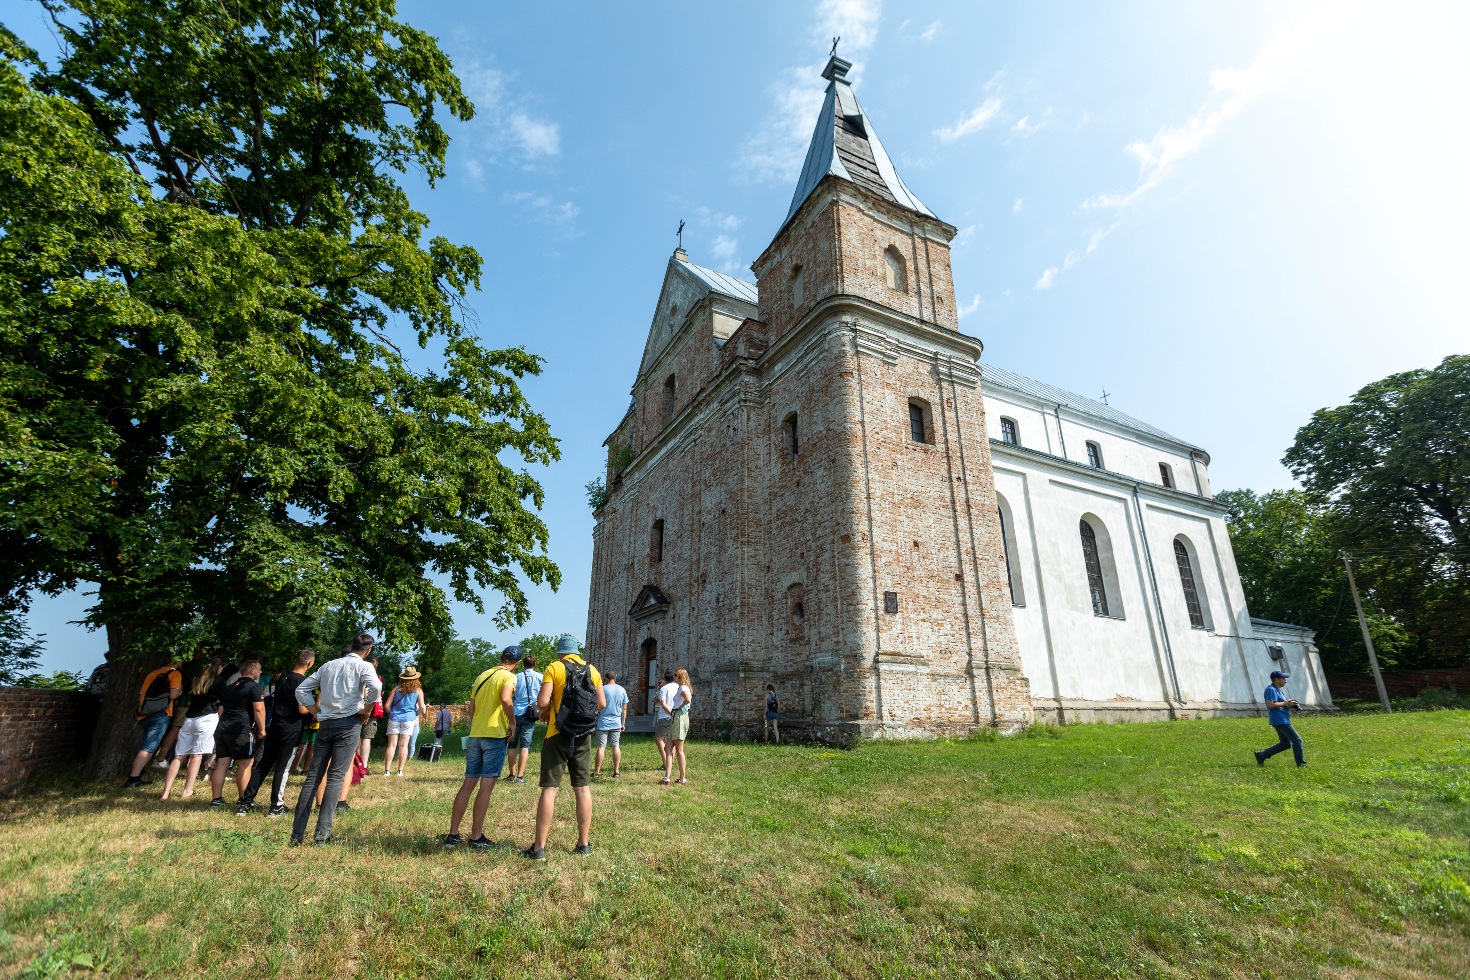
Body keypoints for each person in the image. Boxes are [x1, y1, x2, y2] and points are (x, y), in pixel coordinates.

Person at [292, 633, 382, 846]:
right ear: (367, 651)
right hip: (349, 723)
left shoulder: (328, 666)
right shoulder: (364, 666)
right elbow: (376, 689)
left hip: (326, 723)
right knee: (335, 777)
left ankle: (297, 835)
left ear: (351, 646)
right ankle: (322, 835)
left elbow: (301, 689)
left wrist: (314, 710)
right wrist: (367, 709)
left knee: (313, 777)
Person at [523, 635, 604, 860]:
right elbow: (602, 703)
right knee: (582, 788)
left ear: (560, 653)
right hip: (583, 736)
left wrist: (549, 711)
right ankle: (583, 844)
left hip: (557, 733)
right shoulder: (593, 670)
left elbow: (541, 702)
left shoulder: (555, 667)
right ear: (577, 652)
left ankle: (539, 848)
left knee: (550, 789)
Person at [444, 647, 519, 849]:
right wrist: (512, 723)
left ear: (501, 658)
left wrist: (478, 723)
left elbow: (471, 708)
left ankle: (453, 835)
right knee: (486, 786)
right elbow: (505, 699)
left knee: (468, 784)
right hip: (494, 736)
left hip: (475, 735)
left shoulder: (482, 676)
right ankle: (476, 837)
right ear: (517, 663)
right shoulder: (509, 677)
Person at [237, 649, 315, 816]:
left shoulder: (282, 678)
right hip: (291, 728)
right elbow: (302, 709)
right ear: (310, 663)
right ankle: (276, 806)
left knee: (264, 764)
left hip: (275, 725)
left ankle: (245, 802)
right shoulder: (303, 682)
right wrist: (314, 710)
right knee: (283, 767)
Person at [160, 662, 223, 800]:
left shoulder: (197, 680)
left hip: (189, 719)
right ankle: (187, 790)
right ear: (219, 668)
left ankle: (165, 793)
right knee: (196, 756)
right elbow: (222, 704)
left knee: (178, 756)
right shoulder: (218, 682)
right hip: (206, 718)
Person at [209, 659, 267, 806]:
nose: (261, 672)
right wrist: (262, 729)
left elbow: (221, 710)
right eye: (259, 669)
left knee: (222, 763)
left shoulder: (229, 688)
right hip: (240, 729)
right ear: (252, 671)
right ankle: (244, 800)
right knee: (246, 763)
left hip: (222, 728)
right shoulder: (255, 687)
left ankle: (216, 800)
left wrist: (225, 724)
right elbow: (259, 709)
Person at [123, 660, 183, 788]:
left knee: (147, 744)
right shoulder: (175, 674)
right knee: (148, 747)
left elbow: (142, 694)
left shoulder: (153, 673)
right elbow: (173, 695)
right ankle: (133, 778)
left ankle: (138, 773)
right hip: (161, 713)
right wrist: (180, 691)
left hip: (145, 713)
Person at [1255, 670, 1306, 768]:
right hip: (1280, 720)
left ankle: (1262, 755)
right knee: (1297, 740)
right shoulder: (1271, 689)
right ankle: (1301, 764)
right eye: (1283, 679)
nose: (1285, 681)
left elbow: (1280, 705)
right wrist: (1286, 703)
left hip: (1281, 719)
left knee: (1286, 744)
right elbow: (1270, 704)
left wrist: (1290, 705)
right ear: (1276, 680)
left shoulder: (1278, 690)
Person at [382, 666, 427, 776]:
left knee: (391, 745)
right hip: (409, 718)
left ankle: (387, 771)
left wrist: (392, 713)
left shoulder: (396, 689)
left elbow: (387, 706)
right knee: (403, 745)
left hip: (394, 718)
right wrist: (415, 714)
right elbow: (421, 706)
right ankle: (400, 771)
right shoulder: (418, 691)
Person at [508, 649, 540, 783]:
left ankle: (511, 774)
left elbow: (512, 695)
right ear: (535, 664)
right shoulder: (540, 677)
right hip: (530, 713)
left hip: (515, 713)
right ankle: (520, 776)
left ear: (523, 665)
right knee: (525, 746)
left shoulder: (516, 677)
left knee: (512, 745)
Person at [593, 670, 628, 779]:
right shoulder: (622, 690)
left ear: (606, 679)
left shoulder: (602, 689)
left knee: (601, 747)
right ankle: (616, 771)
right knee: (616, 746)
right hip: (616, 722)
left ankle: (597, 772)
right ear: (615, 678)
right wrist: (623, 722)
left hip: (603, 722)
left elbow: (597, 705)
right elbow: (624, 707)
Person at [662, 668, 693, 786]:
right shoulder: (682, 687)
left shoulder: (683, 687)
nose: (673, 677)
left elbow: (688, 699)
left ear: (680, 676)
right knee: (668, 748)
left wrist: (680, 707)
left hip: (680, 717)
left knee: (679, 750)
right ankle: (666, 777)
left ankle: (682, 778)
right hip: (676, 717)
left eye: (675, 675)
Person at [359, 652, 382, 773]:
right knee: (366, 738)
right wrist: (367, 710)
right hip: (369, 711)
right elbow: (369, 693)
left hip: (357, 709)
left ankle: (356, 764)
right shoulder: (376, 679)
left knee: (357, 738)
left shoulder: (360, 676)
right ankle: (363, 765)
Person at [653, 669, 677, 773]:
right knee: (673, 741)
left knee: (659, 739)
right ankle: (671, 762)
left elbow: (663, 704)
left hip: (665, 716)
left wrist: (670, 712)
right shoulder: (679, 687)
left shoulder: (664, 688)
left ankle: (666, 762)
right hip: (677, 716)